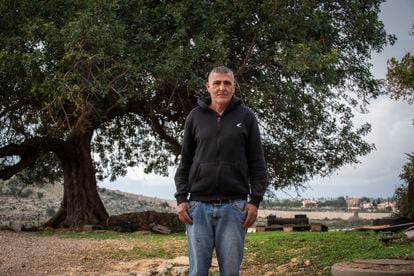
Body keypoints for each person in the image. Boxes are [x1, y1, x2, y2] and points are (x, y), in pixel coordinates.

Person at [174, 66, 268, 276]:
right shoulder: (195, 117)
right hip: (197, 208)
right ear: (208, 87)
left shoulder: (246, 117)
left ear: (234, 87)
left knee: (230, 272)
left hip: (235, 208)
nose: (222, 88)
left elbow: (257, 164)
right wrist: (181, 198)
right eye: (217, 83)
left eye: (227, 83)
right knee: (197, 271)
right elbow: (185, 162)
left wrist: (254, 201)